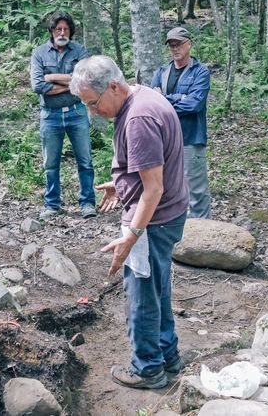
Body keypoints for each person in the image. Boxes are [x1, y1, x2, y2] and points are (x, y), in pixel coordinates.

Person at [70, 55, 189, 389]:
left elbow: (153, 188)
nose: (93, 112)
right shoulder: (144, 96)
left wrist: (132, 236)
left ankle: (148, 369)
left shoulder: (138, 118)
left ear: (113, 86)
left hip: (153, 220)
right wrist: (122, 184)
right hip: (167, 215)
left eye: (93, 103)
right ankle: (168, 355)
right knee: (158, 288)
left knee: (141, 294)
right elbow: (150, 168)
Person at [30, 11, 96, 220]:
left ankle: (87, 203)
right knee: (51, 163)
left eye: (66, 29)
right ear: (51, 30)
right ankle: (52, 205)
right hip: (50, 115)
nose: (62, 32)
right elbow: (38, 85)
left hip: (77, 113)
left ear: (71, 31)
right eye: (58, 28)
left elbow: (85, 81)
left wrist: (52, 78)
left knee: (85, 161)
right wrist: (70, 82)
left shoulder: (79, 51)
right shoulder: (40, 53)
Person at [151, 27, 212, 219]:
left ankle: (204, 237)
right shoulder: (161, 72)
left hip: (190, 138)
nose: (175, 49)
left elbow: (194, 104)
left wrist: (166, 99)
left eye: (178, 44)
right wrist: (180, 97)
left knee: (196, 191)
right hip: (165, 139)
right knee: (169, 189)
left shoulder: (200, 72)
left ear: (189, 44)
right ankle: (178, 235)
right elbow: (153, 102)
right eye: (171, 45)